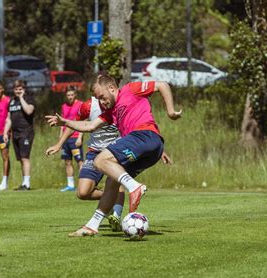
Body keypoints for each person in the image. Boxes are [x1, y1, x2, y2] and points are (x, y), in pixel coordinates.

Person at [46, 75, 181, 236]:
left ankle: (134, 187)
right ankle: (92, 226)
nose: (101, 102)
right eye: (97, 99)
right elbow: (89, 126)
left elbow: (162, 85)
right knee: (112, 180)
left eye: (102, 97)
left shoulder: (130, 89)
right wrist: (66, 122)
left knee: (100, 160)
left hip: (144, 135)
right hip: (149, 148)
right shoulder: (111, 112)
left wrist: (171, 112)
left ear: (111, 88)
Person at [46, 96, 125, 230]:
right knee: (82, 193)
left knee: (116, 182)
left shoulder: (121, 103)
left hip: (116, 151)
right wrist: (59, 144)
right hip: (95, 152)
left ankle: (116, 216)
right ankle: (111, 199)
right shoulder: (88, 106)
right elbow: (73, 125)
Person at [8, 80, 35, 190]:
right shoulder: (11, 101)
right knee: (20, 159)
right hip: (15, 133)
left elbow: (29, 111)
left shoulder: (29, 99)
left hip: (26, 133)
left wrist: (21, 98)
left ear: (24, 90)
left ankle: (27, 184)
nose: (18, 91)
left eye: (20, 89)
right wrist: (6, 132)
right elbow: (9, 119)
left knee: (25, 158)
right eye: (16, 89)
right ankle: (24, 182)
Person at [57, 86, 83, 192]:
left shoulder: (80, 104)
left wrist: (80, 137)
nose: (70, 97)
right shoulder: (64, 106)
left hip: (75, 137)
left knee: (80, 161)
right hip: (65, 138)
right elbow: (62, 121)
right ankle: (70, 185)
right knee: (67, 161)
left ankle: (82, 184)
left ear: (75, 95)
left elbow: (82, 121)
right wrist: (60, 136)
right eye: (68, 95)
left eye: (72, 95)